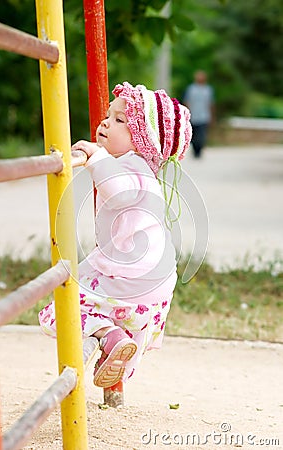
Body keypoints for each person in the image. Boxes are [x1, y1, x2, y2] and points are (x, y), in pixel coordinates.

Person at [39, 82, 192, 388]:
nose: (106, 122)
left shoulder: (134, 167)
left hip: (129, 280)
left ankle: (108, 336)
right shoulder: (143, 170)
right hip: (157, 288)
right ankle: (116, 352)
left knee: (61, 305)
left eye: (120, 120)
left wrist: (95, 156)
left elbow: (120, 193)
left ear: (143, 140)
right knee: (127, 327)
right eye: (109, 115)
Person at [183, 70, 214, 158]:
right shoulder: (191, 89)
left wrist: (212, 116)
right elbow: (186, 101)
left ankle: (199, 151)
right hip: (192, 116)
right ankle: (195, 150)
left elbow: (210, 103)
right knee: (193, 136)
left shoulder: (208, 90)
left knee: (201, 136)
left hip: (204, 116)